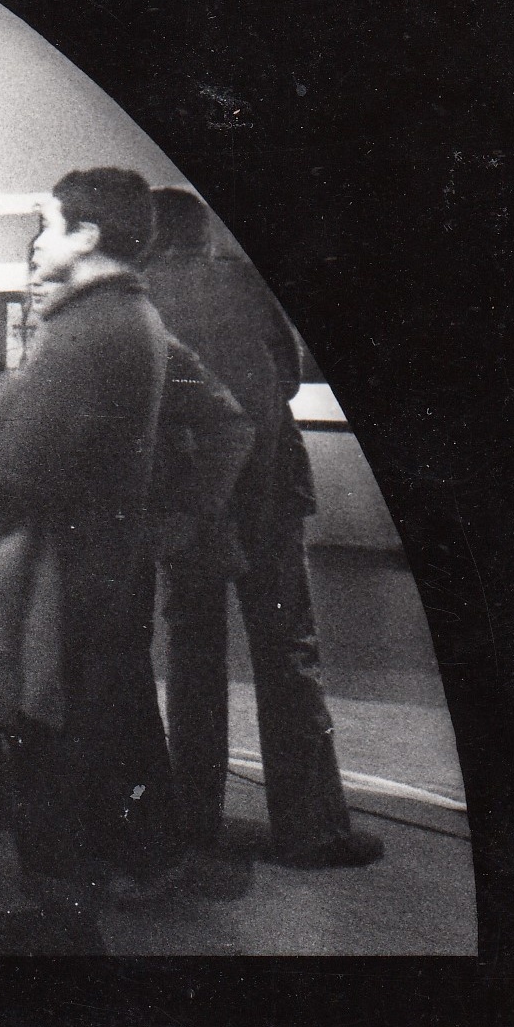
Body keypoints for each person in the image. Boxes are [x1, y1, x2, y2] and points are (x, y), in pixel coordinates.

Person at [0, 169, 188, 933]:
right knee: (73, 739)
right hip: (101, 563)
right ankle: (4, 883)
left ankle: (45, 921)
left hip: (65, 575)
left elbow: (13, 473)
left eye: (50, 225)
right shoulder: (131, 316)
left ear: (88, 236)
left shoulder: (86, 329)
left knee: (47, 749)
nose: (38, 244)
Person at [146, 186, 383, 869]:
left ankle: (193, 819)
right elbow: (286, 378)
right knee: (287, 654)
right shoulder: (245, 283)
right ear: (203, 235)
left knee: (192, 658)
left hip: (191, 505)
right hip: (269, 492)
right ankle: (310, 830)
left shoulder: (144, 298)